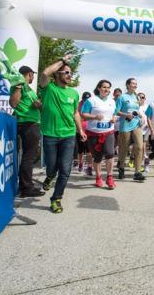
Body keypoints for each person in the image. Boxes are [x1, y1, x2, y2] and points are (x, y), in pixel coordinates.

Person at [39, 55, 87, 214]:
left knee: (65, 169)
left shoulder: (74, 93)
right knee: (52, 167)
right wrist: (63, 60)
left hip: (69, 135)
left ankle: (56, 198)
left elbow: (75, 113)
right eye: (66, 72)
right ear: (57, 74)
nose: (69, 75)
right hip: (50, 134)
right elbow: (45, 73)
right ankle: (49, 177)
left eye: (70, 73)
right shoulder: (49, 88)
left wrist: (80, 130)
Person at [9, 65, 45, 198]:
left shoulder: (29, 89)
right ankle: (26, 188)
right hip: (27, 123)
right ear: (29, 74)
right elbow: (13, 103)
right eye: (32, 75)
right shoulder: (18, 86)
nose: (33, 77)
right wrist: (18, 87)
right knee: (29, 157)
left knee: (30, 156)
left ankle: (25, 184)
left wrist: (39, 105)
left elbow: (38, 106)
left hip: (33, 123)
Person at [81, 80, 117, 189]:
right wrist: (95, 117)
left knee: (110, 153)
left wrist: (114, 119)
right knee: (97, 157)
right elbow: (83, 115)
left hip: (108, 132)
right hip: (94, 133)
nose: (106, 90)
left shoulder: (112, 101)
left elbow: (114, 113)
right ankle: (98, 177)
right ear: (98, 88)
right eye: (104, 87)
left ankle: (110, 177)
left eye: (108, 88)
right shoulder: (91, 101)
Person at [114, 78, 146, 181]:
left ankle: (137, 172)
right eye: (133, 83)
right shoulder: (122, 97)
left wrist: (141, 117)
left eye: (136, 84)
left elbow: (136, 110)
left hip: (136, 124)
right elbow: (116, 111)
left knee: (140, 147)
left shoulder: (136, 97)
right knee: (124, 149)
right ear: (127, 85)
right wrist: (126, 114)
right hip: (125, 125)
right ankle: (121, 168)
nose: (135, 85)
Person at [76, 91, 93, 176]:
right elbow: (76, 116)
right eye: (85, 99)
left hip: (89, 130)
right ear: (82, 99)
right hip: (79, 130)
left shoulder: (92, 103)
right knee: (80, 150)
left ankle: (90, 167)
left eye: (88, 99)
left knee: (90, 151)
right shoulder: (78, 104)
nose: (86, 100)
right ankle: (80, 163)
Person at [138, 92, 151, 173]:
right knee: (137, 148)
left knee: (143, 147)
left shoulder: (148, 107)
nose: (141, 99)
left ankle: (145, 164)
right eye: (139, 97)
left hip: (145, 130)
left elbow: (151, 117)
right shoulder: (135, 107)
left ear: (145, 99)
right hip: (136, 129)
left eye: (142, 97)